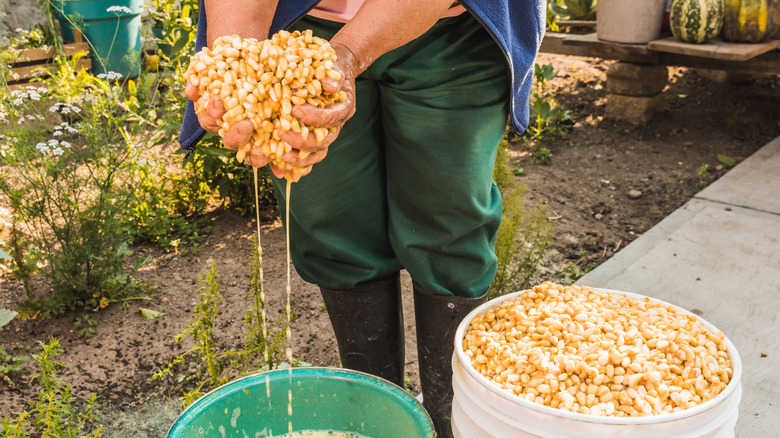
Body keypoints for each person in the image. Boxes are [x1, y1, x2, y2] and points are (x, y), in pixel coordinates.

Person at [180, 1, 544, 436]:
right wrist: (235, 63)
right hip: (300, 28)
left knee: (450, 225)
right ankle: (378, 418)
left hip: (454, 26)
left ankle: (453, 423)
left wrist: (349, 54)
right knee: (333, 223)